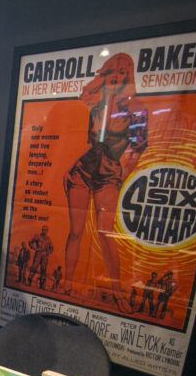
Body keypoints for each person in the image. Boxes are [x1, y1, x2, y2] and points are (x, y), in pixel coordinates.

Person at [62, 53, 148, 312]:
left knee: (105, 234)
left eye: (122, 72)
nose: (116, 76)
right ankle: (66, 284)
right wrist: (102, 83)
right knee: (76, 231)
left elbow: (138, 147)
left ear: (128, 76)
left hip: (109, 174)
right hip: (82, 171)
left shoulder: (136, 108)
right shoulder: (97, 103)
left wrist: (121, 171)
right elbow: (85, 132)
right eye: (113, 70)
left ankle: (117, 292)